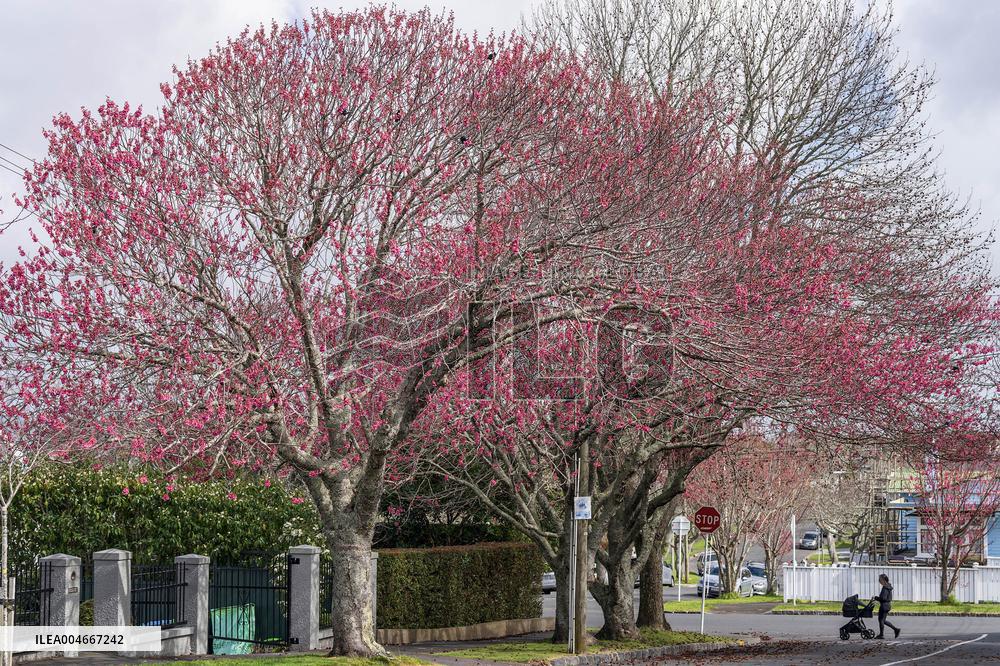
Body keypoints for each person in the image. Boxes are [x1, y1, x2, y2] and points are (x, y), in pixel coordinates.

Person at [874, 574, 900, 639]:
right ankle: (896, 630)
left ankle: (881, 635)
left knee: (881, 620)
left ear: (883, 579)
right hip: (887, 605)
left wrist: (876, 598)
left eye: (880, 579)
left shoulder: (885, 587)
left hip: (884, 605)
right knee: (883, 620)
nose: (879, 580)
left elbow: (883, 598)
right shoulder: (888, 586)